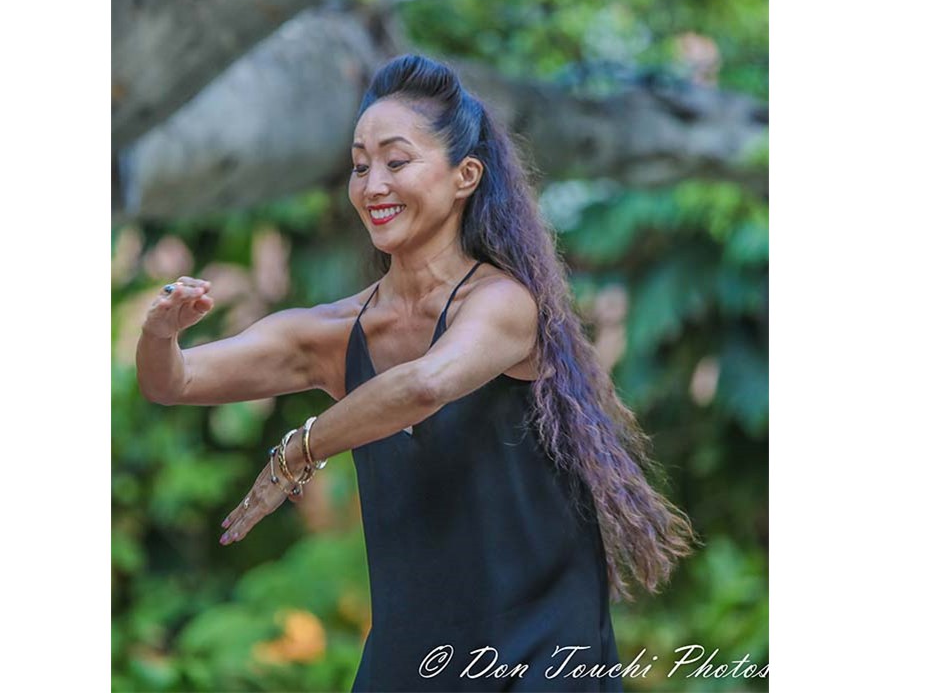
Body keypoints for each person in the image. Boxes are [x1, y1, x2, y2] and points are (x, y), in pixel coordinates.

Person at [136, 54, 695, 692]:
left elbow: (426, 385)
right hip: (412, 659)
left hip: (542, 650)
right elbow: (172, 382)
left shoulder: (503, 304)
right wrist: (159, 332)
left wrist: (300, 450)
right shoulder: (332, 334)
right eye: (359, 166)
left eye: (396, 162)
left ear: (465, 176)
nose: (373, 185)